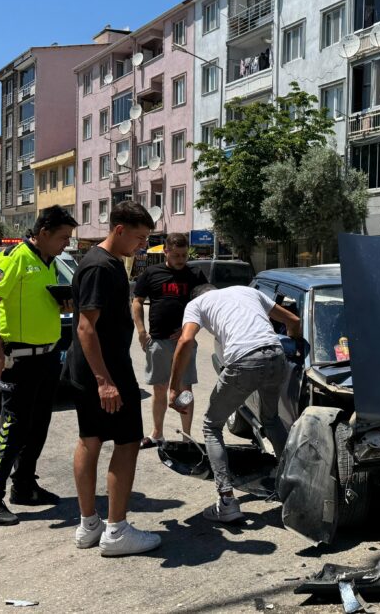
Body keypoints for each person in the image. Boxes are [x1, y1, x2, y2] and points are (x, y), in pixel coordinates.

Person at [64, 200, 162, 555]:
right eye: (139, 237)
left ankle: (89, 526)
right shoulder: (101, 266)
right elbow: (86, 327)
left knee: (90, 439)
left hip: (92, 367)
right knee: (126, 442)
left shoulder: (105, 263)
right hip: (104, 369)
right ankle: (116, 531)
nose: (142, 245)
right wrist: (105, 380)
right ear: (119, 229)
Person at [0, 205, 77, 526]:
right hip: (19, 358)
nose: (66, 244)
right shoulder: (14, 257)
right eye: (63, 237)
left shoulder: (48, 262)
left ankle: (24, 485)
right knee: (13, 427)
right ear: (43, 233)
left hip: (46, 358)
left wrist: (63, 303)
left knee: (38, 424)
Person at [169, 284, 301, 523]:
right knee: (270, 419)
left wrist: (173, 386)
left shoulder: (196, 304)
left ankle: (227, 501)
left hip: (244, 361)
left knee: (212, 425)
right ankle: (291, 488)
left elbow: (185, 340)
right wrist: (295, 341)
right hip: (276, 356)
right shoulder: (247, 291)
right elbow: (293, 320)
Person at [131, 233, 208, 448]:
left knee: (185, 389)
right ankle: (157, 434)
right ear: (166, 251)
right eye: (176, 255)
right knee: (159, 388)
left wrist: (189, 330)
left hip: (185, 341)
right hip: (158, 340)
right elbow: (137, 301)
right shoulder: (151, 273)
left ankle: (186, 437)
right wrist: (140, 330)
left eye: (184, 255)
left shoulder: (195, 274)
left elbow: (206, 307)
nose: (181, 259)